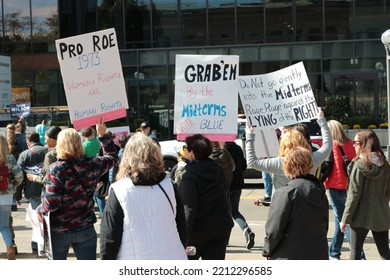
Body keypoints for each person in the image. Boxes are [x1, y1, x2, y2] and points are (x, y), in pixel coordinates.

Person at [36, 118, 118, 260]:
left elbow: (51, 203)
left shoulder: (57, 168)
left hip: (59, 230)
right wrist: (103, 135)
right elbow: (112, 157)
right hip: (85, 228)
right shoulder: (93, 163)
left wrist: (40, 209)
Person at [100, 133, 187, 260]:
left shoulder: (119, 190)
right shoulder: (169, 185)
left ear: (127, 157)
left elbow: (109, 239)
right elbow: (182, 227)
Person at [262, 146, 329, 259]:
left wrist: (267, 250)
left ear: (288, 166)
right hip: (318, 253)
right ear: (310, 165)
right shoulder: (320, 192)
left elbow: (274, 230)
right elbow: (324, 226)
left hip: (289, 255)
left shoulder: (285, 193)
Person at [178, 134, 233, 260]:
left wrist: (182, 238)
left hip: (198, 230)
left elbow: (188, 209)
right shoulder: (218, 169)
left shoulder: (189, 176)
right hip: (221, 226)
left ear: (192, 153)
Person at [245, 109, 332, 189]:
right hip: (306, 203)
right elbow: (328, 145)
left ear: (283, 144)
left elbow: (252, 162)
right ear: (303, 141)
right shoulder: (312, 159)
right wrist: (321, 120)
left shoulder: (280, 163)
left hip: (282, 203)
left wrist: (250, 136)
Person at [340, 130, 390, 260]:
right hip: (381, 212)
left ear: (363, 144)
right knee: (385, 251)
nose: (353, 145)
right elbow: (388, 191)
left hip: (360, 214)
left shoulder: (359, 165)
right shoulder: (385, 164)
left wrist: (345, 219)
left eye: (356, 142)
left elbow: (354, 194)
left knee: (355, 252)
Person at [320, 120, 364, 260]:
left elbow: (326, 168)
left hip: (334, 186)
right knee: (341, 218)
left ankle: (360, 255)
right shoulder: (351, 143)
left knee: (343, 220)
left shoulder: (329, 146)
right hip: (350, 185)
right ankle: (334, 252)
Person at [16, 131, 46, 254]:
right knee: (47, 218)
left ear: (28, 143)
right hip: (48, 189)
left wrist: (17, 196)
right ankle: (45, 242)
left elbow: (19, 177)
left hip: (33, 190)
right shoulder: (48, 151)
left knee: (36, 219)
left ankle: (37, 244)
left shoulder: (24, 154)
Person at [224, 141, 255, 250]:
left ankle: (225, 240)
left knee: (226, 212)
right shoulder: (237, 148)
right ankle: (246, 229)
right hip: (238, 184)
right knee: (234, 211)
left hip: (227, 186)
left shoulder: (221, 150)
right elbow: (244, 164)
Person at [0, 135, 24, 260]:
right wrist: (12, 186)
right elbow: (19, 176)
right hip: (5, 196)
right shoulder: (9, 158)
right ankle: (10, 247)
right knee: (4, 226)